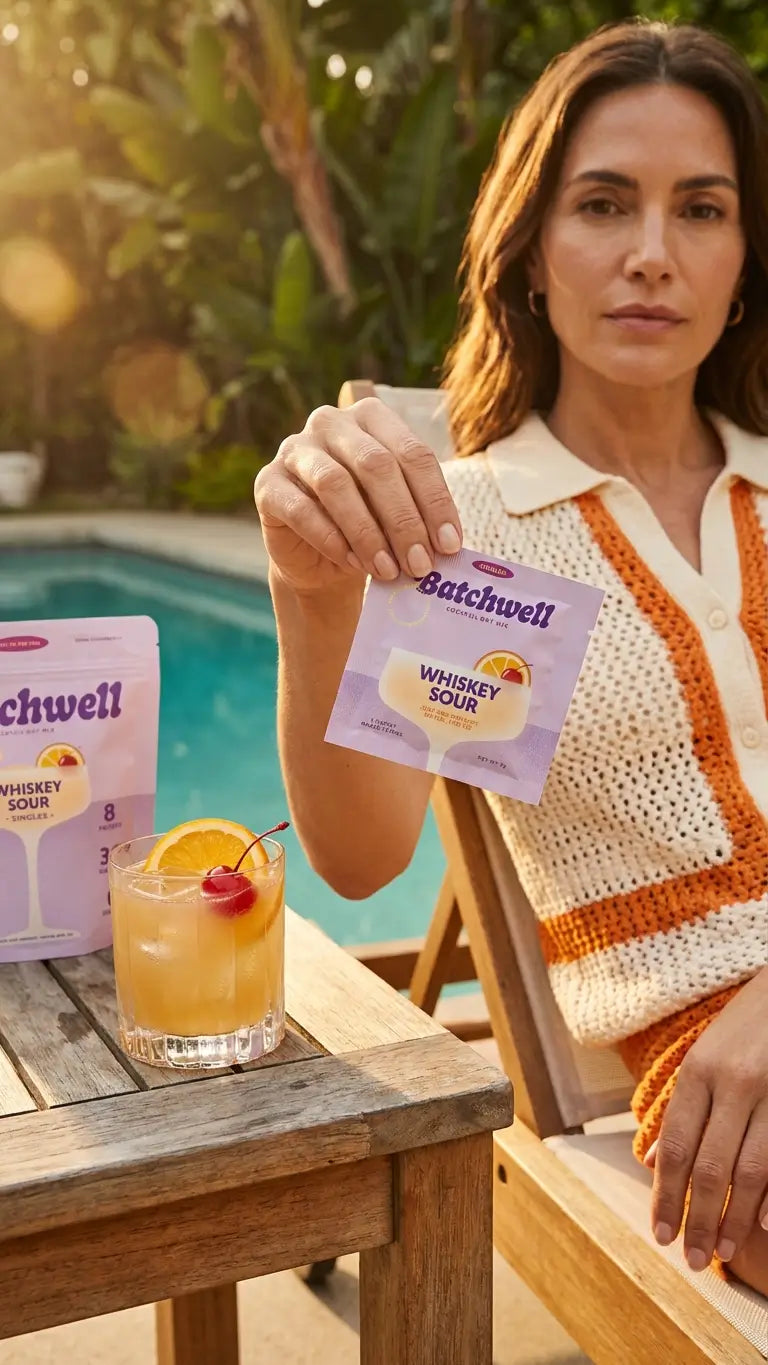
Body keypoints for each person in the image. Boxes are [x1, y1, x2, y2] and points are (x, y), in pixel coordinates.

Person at [254, 18, 768, 1297]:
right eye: (604, 204)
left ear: (746, 255)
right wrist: (310, 597)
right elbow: (365, 858)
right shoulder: (473, 537)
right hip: (710, 1083)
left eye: (701, 209)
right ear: (534, 252)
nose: (652, 255)